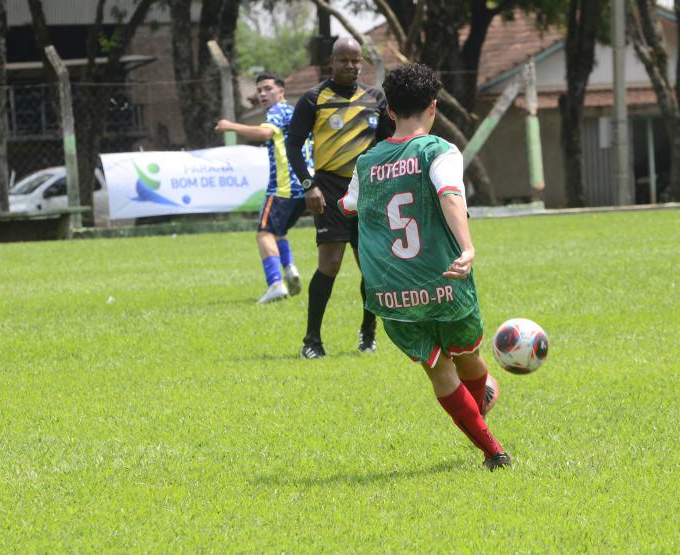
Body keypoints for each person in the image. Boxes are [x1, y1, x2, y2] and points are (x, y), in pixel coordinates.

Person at [338, 63, 510, 471]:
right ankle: (479, 411)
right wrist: (467, 247)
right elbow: (449, 195)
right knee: (468, 356)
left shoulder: (367, 162)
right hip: (444, 280)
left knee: (438, 368)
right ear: (434, 106)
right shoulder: (438, 150)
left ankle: (493, 451)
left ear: (390, 111)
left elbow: (347, 205)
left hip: (390, 291)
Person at [285, 37, 394, 359]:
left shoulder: (376, 98)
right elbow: (293, 145)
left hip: (368, 189)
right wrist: (309, 185)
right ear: (331, 62)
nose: (350, 65)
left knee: (370, 267)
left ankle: (368, 332)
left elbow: (388, 143)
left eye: (355, 60)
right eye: (344, 60)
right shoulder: (313, 99)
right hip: (329, 189)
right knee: (330, 264)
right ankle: (312, 341)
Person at [215, 72, 312, 304]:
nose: (262, 94)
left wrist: (230, 126)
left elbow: (265, 132)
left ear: (281, 91)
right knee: (278, 232)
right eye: (259, 90)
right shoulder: (294, 111)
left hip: (283, 187)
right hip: (304, 186)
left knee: (264, 233)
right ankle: (290, 269)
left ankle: (275, 283)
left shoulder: (277, 111)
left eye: (268, 88)